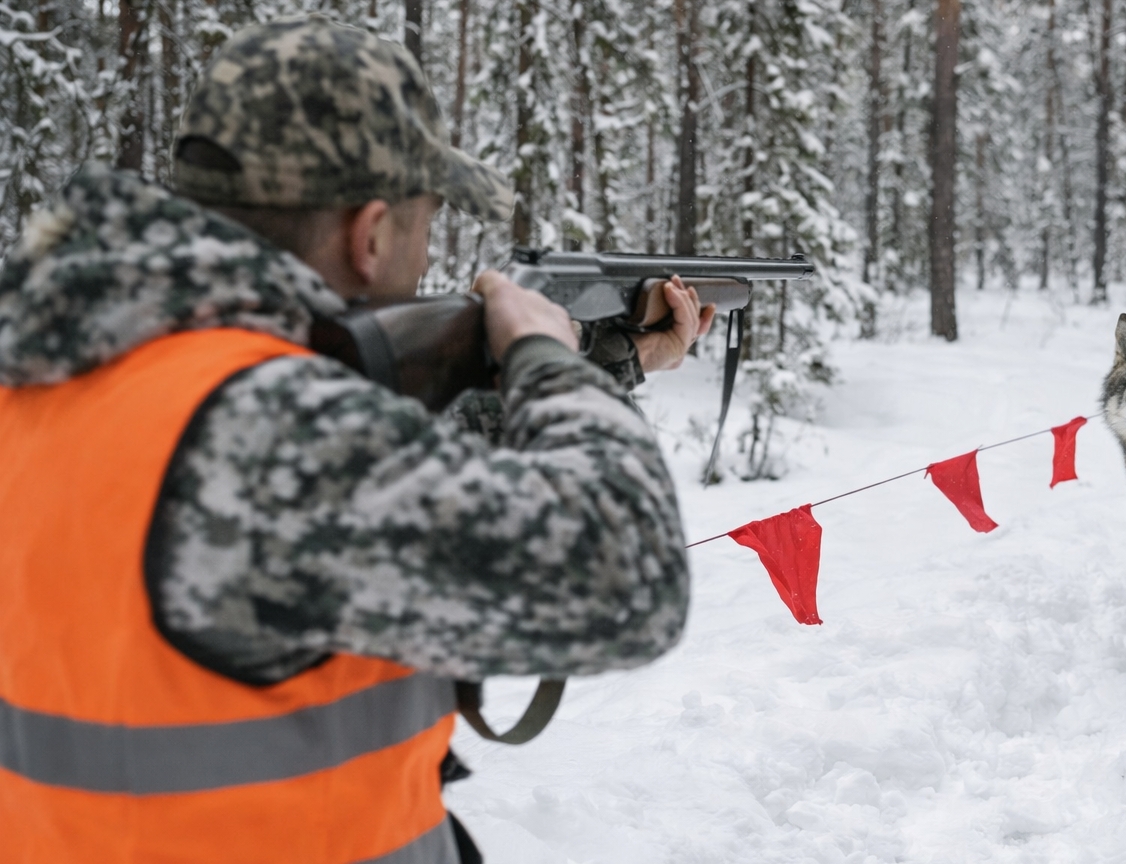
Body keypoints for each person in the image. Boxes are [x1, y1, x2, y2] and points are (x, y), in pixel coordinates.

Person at [0, 15, 708, 864]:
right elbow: (629, 579)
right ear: (370, 234)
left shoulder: (55, 376)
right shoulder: (271, 431)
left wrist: (617, 357)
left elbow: (381, 476)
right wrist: (544, 355)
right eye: (425, 219)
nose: (426, 248)